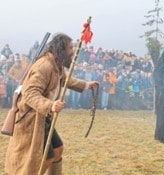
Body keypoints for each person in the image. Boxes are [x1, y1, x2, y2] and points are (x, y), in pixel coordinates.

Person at [4, 33, 99, 175]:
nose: (72, 51)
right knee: (45, 159)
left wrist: (86, 85)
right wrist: (50, 105)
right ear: (61, 49)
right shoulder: (44, 66)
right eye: (69, 47)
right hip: (32, 119)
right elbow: (30, 93)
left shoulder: (56, 64)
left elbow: (66, 80)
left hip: (43, 116)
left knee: (58, 150)